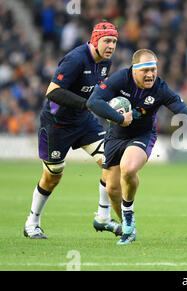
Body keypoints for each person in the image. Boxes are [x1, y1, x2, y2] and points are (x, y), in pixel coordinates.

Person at [87, 49, 187, 245]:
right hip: (115, 136)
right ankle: (128, 227)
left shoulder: (160, 87)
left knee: (128, 169)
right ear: (134, 70)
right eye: (145, 70)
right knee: (112, 188)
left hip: (142, 135)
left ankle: (128, 217)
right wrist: (119, 118)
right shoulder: (120, 79)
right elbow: (93, 101)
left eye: (153, 69)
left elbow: (182, 109)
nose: (150, 74)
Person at [24, 21, 122, 239]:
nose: (111, 46)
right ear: (95, 40)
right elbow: (52, 91)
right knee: (52, 177)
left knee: (111, 160)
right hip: (56, 124)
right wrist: (85, 104)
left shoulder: (106, 63)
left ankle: (103, 217)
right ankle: (32, 222)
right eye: (107, 40)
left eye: (114, 41)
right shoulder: (75, 59)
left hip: (83, 121)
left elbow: (97, 92)